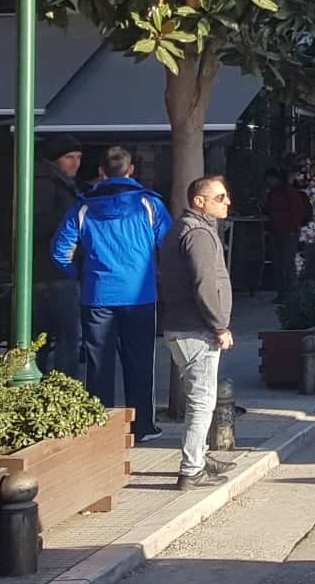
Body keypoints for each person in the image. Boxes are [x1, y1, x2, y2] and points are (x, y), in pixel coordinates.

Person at [53, 147, 171, 440]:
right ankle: (142, 426)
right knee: (140, 361)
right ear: (131, 170)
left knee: (98, 365)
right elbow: (168, 245)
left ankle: (101, 430)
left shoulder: (82, 207)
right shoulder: (149, 204)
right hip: (140, 294)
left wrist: (82, 275)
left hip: (96, 294)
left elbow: (60, 252)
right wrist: (156, 274)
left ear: (101, 172)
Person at [159, 176, 237, 490]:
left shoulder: (183, 228)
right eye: (220, 197)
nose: (227, 202)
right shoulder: (198, 234)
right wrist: (219, 326)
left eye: (226, 196)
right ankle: (191, 469)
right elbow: (204, 285)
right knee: (202, 401)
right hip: (195, 328)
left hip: (183, 325)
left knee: (200, 397)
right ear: (199, 201)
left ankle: (200, 457)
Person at [33, 135, 85, 379]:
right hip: (54, 271)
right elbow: (38, 225)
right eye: (69, 157)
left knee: (43, 339)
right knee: (65, 337)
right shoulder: (47, 185)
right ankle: (63, 387)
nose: (75, 163)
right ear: (55, 159)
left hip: (50, 271)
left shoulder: (60, 184)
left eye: (78, 157)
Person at [262, 169, 310, 292]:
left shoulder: (288, 192)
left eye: (270, 179)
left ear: (276, 178)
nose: (268, 181)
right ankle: (281, 290)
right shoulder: (272, 193)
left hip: (289, 231)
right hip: (275, 231)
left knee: (288, 262)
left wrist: (293, 227)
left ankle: (292, 291)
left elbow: (297, 211)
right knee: (277, 262)